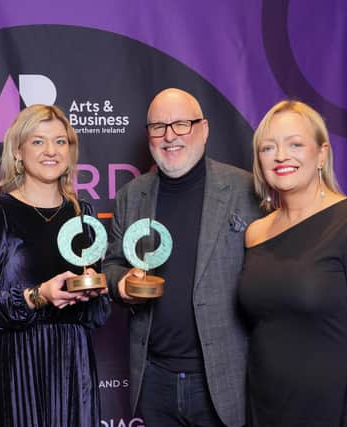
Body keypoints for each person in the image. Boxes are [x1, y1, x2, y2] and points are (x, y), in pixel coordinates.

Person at [103, 88, 262, 427]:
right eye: (159, 126)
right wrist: (122, 282)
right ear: (149, 136)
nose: (169, 136)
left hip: (224, 379)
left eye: (181, 124)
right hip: (155, 379)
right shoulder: (132, 196)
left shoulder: (246, 190)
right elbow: (111, 264)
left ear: (203, 129)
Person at [238, 100, 347, 427]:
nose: (281, 156)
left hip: (335, 412)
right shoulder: (255, 233)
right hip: (267, 409)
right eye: (269, 147)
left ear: (322, 154)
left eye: (295, 144)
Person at [0, 104, 110, 426]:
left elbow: (98, 313)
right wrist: (38, 295)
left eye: (60, 142)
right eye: (38, 141)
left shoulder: (82, 213)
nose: (51, 151)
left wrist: (92, 292)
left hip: (75, 364)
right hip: (20, 364)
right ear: (17, 151)